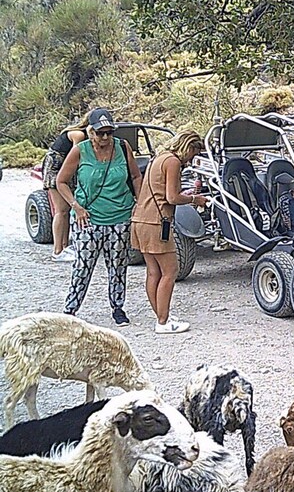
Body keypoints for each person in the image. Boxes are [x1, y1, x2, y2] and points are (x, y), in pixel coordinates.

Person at [56, 108, 142, 326]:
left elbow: (135, 176)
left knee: (118, 265)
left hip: (120, 215)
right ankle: (70, 309)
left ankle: (118, 307)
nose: (104, 137)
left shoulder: (122, 147)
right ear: (90, 132)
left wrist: (138, 204)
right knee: (82, 266)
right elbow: (61, 181)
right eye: (99, 133)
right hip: (89, 218)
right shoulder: (80, 150)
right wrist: (76, 206)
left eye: (108, 133)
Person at [131, 131, 208, 334]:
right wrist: (195, 200)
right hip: (157, 222)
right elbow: (172, 197)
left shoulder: (159, 158)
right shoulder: (173, 162)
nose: (191, 161)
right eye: (194, 154)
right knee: (170, 271)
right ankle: (163, 322)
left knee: (153, 272)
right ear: (188, 148)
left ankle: (160, 316)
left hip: (140, 219)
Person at [42, 114, 89, 261]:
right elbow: (76, 154)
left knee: (66, 211)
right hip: (56, 167)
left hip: (64, 167)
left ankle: (64, 246)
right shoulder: (79, 134)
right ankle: (57, 250)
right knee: (61, 210)